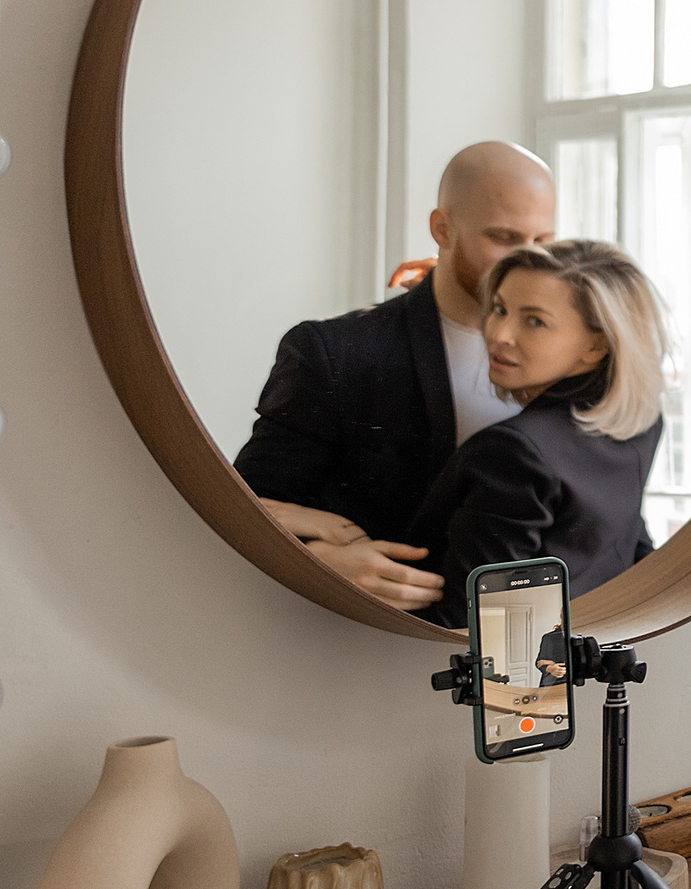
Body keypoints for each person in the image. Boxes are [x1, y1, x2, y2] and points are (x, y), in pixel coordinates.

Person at [235, 142, 557, 607]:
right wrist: (319, 564)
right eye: (505, 238)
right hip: (377, 645)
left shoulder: (572, 351)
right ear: (442, 229)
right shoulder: (335, 353)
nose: (527, 262)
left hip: (531, 653)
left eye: (543, 242)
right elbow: (241, 511)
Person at [407, 239, 666, 634]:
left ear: (596, 345)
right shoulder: (641, 424)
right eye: (499, 309)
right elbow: (623, 546)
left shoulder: (513, 452)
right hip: (581, 663)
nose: (498, 334)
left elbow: (473, 628)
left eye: (534, 321)